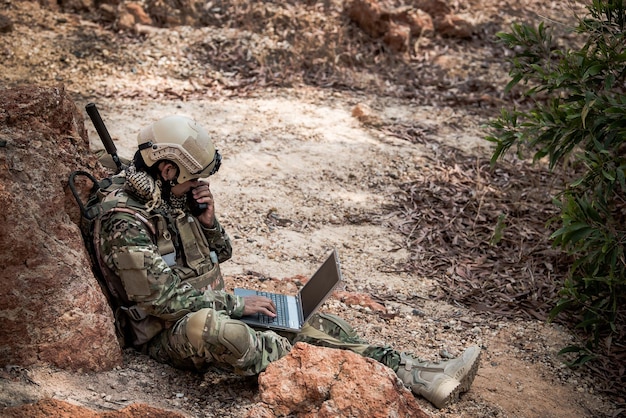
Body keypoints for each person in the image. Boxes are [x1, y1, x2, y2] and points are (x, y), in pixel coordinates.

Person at [94, 115, 481, 409]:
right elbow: (158, 299)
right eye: (193, 178)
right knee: (227, 333)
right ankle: (331, 371)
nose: (199, 187)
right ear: (166, 169)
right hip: (168, 332)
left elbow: (220, 255)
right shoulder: (126, 219)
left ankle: (416, 372)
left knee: (313, 321)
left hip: (209, 303)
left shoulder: (171, 198)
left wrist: (208, 224)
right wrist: (235, 305)